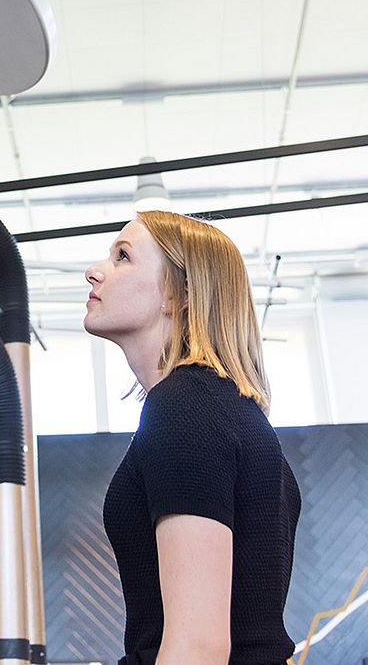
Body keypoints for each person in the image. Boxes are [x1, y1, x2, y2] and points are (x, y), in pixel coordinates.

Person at [84, 211, 300, 665]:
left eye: (123, 256)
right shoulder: (214, 404)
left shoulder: (185, 407)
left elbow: (198, 648)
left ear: (179, 295)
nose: (95, 270)